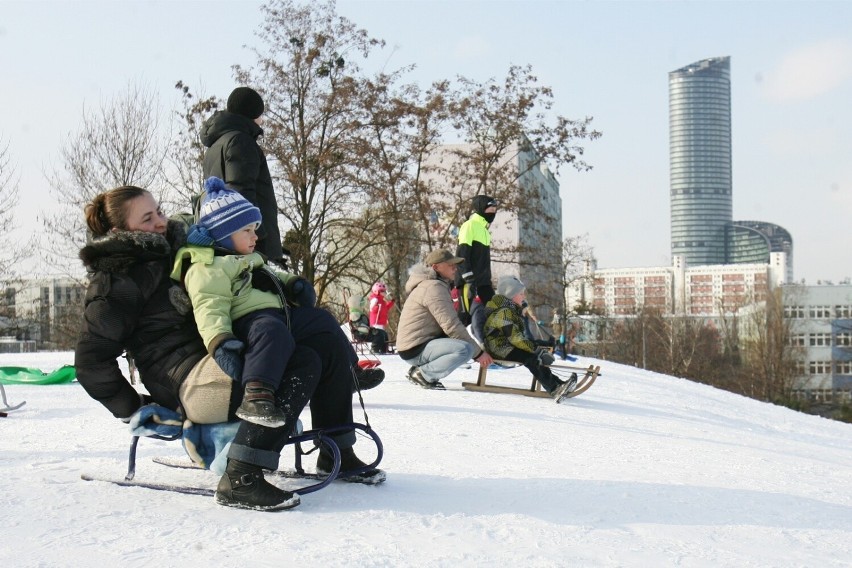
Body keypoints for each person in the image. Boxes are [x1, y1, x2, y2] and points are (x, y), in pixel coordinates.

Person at [75, 186, 384, 512]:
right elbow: (90, 361)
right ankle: (241, 476)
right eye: (147, 218)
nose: (160, 222)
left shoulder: (179, 249)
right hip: (185, 379)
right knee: (301, 361)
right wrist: (135, 407)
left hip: (216, 357)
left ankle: (336, 448)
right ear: (117, 231)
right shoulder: (116, 279)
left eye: (159, 212)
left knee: (321, 341)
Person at [173, 176, 308, 428]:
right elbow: (209, 305)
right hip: (249, 324)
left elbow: (274, 273)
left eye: (255, 229)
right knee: (271, 330)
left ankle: (348, 369)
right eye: (246, 230)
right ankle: (256, 395)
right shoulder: (208, 266)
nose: (255, 237)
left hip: (278, 315)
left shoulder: (250, 258)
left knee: (320, 322)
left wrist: (293, 284)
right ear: (223, 235)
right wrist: (220, 341)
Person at [201, 86, 283, 262]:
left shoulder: (214, 146)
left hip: (228, 239)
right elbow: (241, 191)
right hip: (253, 246)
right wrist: (257, 235)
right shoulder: (241, 141)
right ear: (255, 114)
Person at [396, 249, 493, 389]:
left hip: (419, 344)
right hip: (415, 348)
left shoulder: (433, 285)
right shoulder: (433, 287)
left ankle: (422, 371)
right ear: (435, 267)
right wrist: (478, 353)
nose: (455, 268)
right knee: (465, 349)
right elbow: (451, 326)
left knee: (464, 346)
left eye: (455, 264)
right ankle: (423, 374)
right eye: (450, 264)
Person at [482, 276, 577, 402]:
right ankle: (554, 388)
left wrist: (537, 347)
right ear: (511, 295)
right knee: (531, 358)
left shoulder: (509, 310)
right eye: (520, 294)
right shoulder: (503, 312)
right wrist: (537, 351)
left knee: (534, 349)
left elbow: (517, 338)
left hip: (506, 346)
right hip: (500, 349)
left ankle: (558, 384)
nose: (523, 297)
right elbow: (516, 339)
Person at [455, 195, 498, 304]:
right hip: (469, 281)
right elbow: (461, 253)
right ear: (481, 208)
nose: (493, 212)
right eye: (491, 209)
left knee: (495, 314)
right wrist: (468, 278)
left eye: (495, 210)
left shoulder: (485, 231)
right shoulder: (469, 225)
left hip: (484, 283)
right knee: (465, 318)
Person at [368, 281, 394, 354]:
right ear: (377, 292)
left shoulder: (381, 300)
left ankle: (384, 349)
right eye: (382, 291)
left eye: (384, 291)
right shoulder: (375, 299)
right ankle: (375, 348)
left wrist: (391, 302)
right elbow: (371, 309)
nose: (383, 293)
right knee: (379, 335)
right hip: (376, 321)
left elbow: (385, 308)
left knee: (384, 335)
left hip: (381, 321)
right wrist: (377, 307)